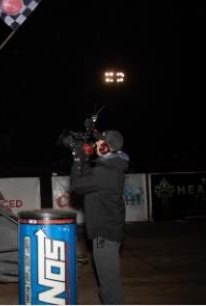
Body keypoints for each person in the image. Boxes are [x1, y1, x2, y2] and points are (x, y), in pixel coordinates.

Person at [69, 130, 129, 304]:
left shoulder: (106, 172)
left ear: (106, 148)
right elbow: (89, 178)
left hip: (105, 232)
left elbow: (77, 185)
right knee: (108, 280)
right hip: (109, 230)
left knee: (109, 283)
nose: (96, 145)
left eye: (100, 143)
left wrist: (79, 159)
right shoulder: (114, 164)